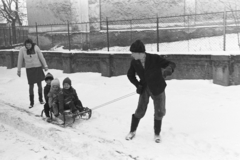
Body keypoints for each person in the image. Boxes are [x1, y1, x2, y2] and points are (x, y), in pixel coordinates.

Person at [125, 40, 176, 143]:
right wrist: (137, 85)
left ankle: (157, 134)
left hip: (158, 88)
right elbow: (130, 75)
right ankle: (132, 131)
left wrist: (168, 69)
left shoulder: (154, 58)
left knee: (160, 111)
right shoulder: (134, 62)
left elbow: (171, 63)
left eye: (133, 53)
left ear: (139, 53)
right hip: (144, 88)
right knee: (140, 111)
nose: (131, 55)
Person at [17, 38, 48, 108]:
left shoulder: (36, 48)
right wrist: (18, 70)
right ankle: (31, 102)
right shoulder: (22, 50)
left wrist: (45, 66)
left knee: (39, 84)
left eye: (29, 45)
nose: (28, 46)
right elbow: (20, 60)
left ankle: (41, 99)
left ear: (32, 44)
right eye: (26, 45)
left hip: (38, 68)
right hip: (29, 69)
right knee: (31, 86)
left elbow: (41, 57)